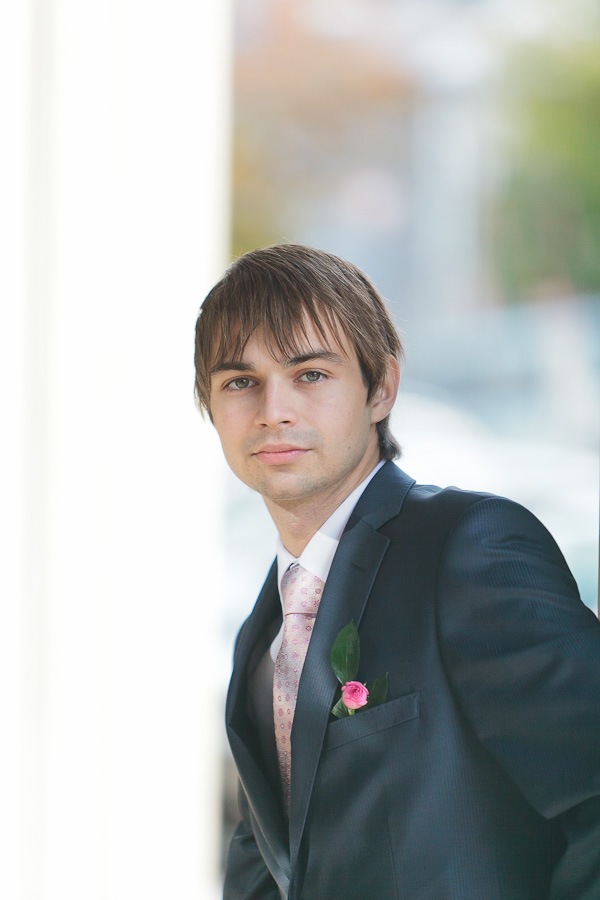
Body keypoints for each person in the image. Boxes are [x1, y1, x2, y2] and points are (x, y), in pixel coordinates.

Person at [194, 244, 600, 899]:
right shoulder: (262, 631)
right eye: (240, 382)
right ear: (210, 407)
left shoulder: (466, 549)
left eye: (310, 374)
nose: (274, 410)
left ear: (381, 388)